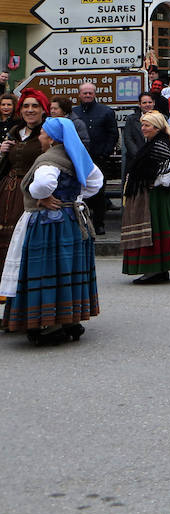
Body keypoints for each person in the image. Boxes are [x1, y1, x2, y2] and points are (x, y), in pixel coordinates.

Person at [0, 117, 104, 345]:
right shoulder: (77, 155)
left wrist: (43, 196)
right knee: (67, 269)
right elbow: (96, 182)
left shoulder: (48, 160)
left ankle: (49, 322)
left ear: (52, 138)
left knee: (48, 269)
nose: (40, 136)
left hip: (49, 222)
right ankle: (69, 318)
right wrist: (72, 198)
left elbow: (43, 185)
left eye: (43, 134)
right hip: (73, 220)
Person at [120, 111, 170, 284]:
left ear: (157, 127)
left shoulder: (159, 145)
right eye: (143, 125)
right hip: (153, 195)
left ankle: (154, 270)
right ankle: (160, 269)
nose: (143, 128)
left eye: (147, 125)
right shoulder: (155, 143)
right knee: (155, 230)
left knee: (153, 230)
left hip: (156, 197)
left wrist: (156, 182)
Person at [0, 90, 49, 254]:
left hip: (33, 191)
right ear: (20, 110)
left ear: (43, 110)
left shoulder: (48, 133)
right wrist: (2, 151)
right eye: (25, 106)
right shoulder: (15, 132)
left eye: (35, 106)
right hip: (8, 191)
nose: (30, 110)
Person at [71, 81, 117, 236]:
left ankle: (99, 224)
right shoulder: (73, 112)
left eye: (90, 92)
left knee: (99, 192)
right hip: (78, 159)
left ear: (95, 94)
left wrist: (106, 152)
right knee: (78, 192)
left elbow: (113, 134)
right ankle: (81, 223)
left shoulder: (106, 111)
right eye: (85, 93)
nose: (88, 95)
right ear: (79, 95)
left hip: (99, 158)